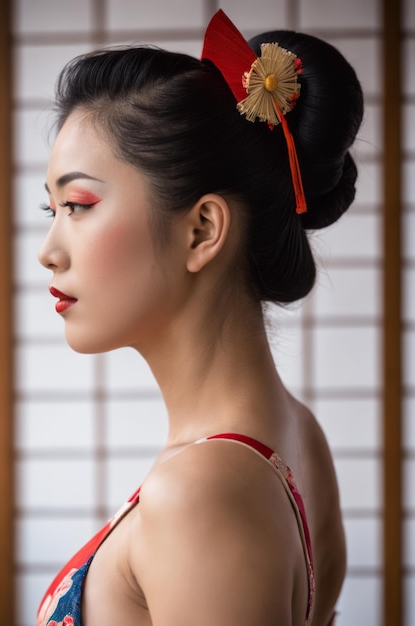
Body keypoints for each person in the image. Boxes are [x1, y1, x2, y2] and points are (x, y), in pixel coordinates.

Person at [36, 9, 363, 626]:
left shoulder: (198, 497)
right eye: (49, 209)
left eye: (77, 206)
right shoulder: (299, 435)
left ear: (201, 229)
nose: (47, 250)